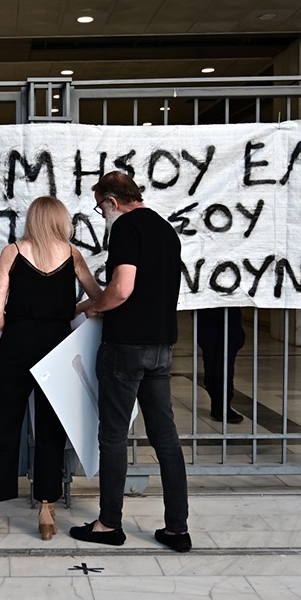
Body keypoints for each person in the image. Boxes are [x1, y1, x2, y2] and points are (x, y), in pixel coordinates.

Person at [70, 171, 191, 552]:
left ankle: (109, 524)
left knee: (113, 435)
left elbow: (122, 288)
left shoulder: (125, 228)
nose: (102, 215)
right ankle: (177, 528)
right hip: (162, 345)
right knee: (165, 436)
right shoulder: (165, 229)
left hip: (126, 346)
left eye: (100, 207)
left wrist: (93, 307)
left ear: (111, 201)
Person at [0, 196, 100, 540]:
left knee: (3, 424)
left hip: (16, 343)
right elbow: (97, 298)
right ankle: (46, 509)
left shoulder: (12, 252)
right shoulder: (72, 254)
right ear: (60, 220)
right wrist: (72, 310)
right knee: (50, 427)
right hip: (57, 345)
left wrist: (15, 330)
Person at [196, 307, 245, 423]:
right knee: (213, 357)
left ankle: (221, 403)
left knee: (223, 357)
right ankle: (219, 403)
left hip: (226, 309)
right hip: (206, 309)